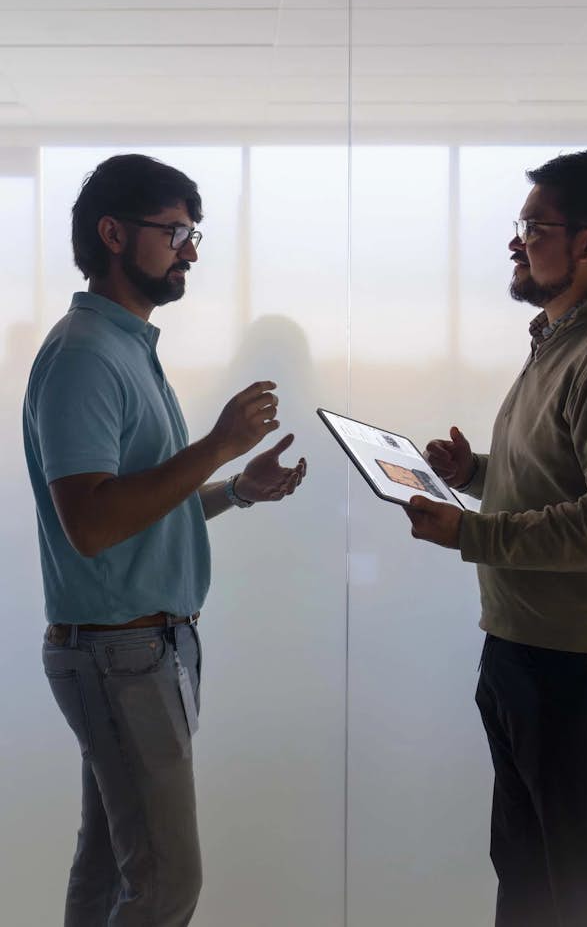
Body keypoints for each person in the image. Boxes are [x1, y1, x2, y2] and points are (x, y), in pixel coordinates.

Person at [23, 153, 307, 927]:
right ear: (113, 233)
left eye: (194, 232)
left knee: (112, 869)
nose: (190, 248)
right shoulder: (87, 356)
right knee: (164, 884)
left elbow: (135, 514)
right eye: (175, 230)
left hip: (140, 649)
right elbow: (91, 524)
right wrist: (216, 445)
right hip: (120, 654)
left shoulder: (125, 347)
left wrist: (235, 491)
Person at [405, 148, 587, 927]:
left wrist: (472, 532)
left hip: (581, 663)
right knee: (530, 880)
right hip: (529, 649)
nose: (515, 243)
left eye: (533, 227)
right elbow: (564, 480)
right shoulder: (562, 337)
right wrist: (478, 471)